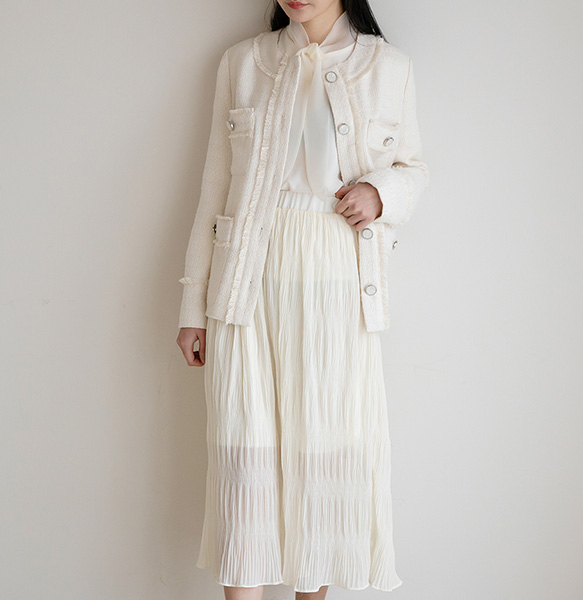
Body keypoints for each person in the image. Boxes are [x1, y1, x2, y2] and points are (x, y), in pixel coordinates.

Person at [176, 1, 429, 598]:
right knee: (244, 455)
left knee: (324, 452)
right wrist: (192, 307)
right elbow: (214, 188)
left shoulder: (389, 67)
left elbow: (414, 168)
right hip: (245, 280)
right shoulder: (243, 63)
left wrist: (380, 192)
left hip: (336, 276)